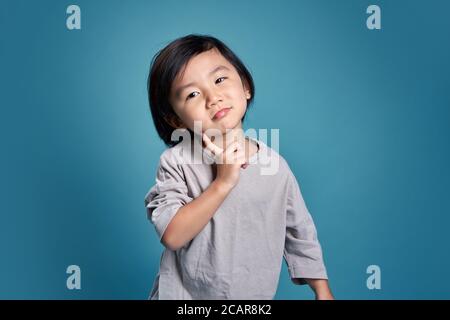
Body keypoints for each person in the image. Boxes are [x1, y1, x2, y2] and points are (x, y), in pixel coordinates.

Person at [144, 34, 334, 300]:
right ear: (175, 119)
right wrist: (223, 182)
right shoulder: (177, 163)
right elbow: (173, 235)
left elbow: (298, 231)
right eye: (192, 94)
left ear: (245, 86)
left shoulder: (274, 167)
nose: (213, 98)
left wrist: (321, 289)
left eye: (220, 80)